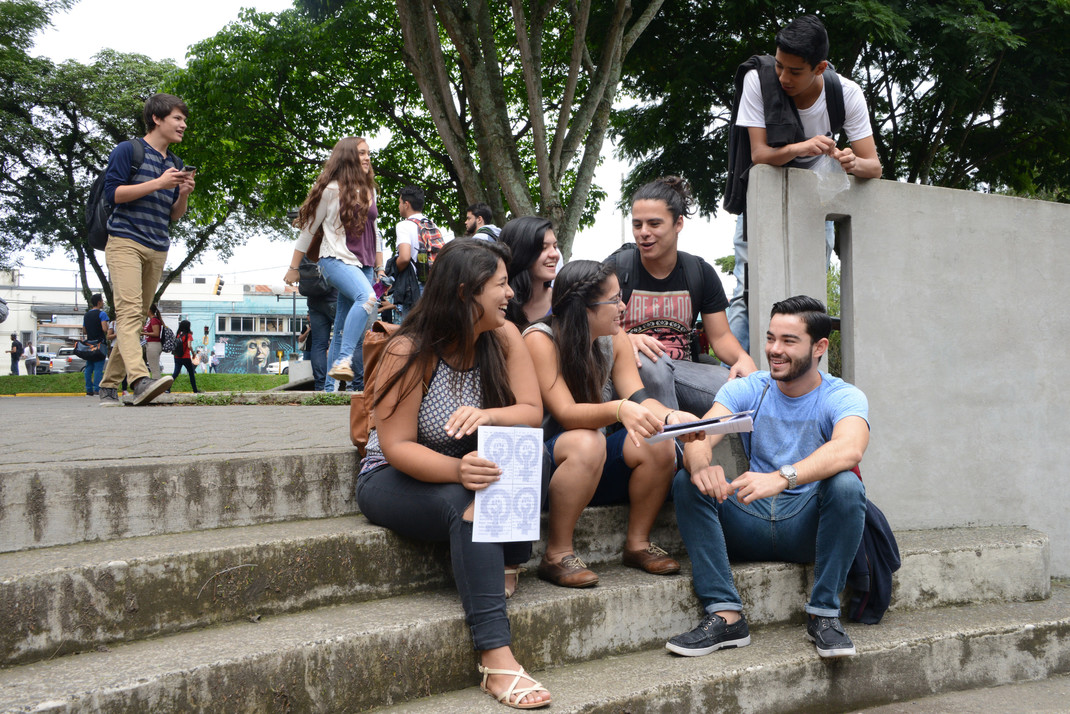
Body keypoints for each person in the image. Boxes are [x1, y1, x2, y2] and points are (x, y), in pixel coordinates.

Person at [355, 239, 551, 709]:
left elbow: (531, 410)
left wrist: (489, 418)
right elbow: (397, 447)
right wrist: (458, 470)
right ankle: (496, 659)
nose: (510, 294)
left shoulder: (503, 335)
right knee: (469, 508)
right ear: (466, 293)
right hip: (394, 475)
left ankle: (506, 558)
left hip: (465, 465)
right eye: (501, 285)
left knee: (535, 451)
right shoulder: (409, 349)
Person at [667, 295, 868, 659]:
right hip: (749, 518)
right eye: (770, 338)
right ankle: (726, 616)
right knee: (686, 482)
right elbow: (700, 435)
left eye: (789, 341)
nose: (775, 350)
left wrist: (781, 477)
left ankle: (824, 614)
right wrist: (701, 466)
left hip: (807, 526)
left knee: (847, 485)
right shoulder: (750, 387)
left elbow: (849, 448)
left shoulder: (842, 396)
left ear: (820, 346)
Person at [523, 260, 702, 588]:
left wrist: (671, 417)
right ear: (586, 308)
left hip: (596, 461)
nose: (623, 307)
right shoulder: (541, 339)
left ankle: (637, 544)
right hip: (549, 465)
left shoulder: (615, 338)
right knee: (587, 440)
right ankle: (556, 554)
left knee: (658, 440)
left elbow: (640, 399)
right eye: (615, 300)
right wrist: (619, 409)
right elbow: (566, 413)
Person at [725, 15, 882, 351]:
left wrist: (853, 162)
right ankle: (736, 374)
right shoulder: (758, 79)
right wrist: (803, 146)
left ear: (820, 67)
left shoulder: (847, 94)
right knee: (746, 290)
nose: (783, 77)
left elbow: (874, 167)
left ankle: (803, 372)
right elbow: (760, 153)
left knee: (809, 295)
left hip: (814, 200)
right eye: (780, 66)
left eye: (795, 71)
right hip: (762, 197)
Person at [610, 177, 756, 418]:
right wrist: (625, 340)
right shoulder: (617, 269)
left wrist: (743, 359)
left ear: (678, 223)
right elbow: (587, 325)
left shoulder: (698, 272)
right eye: (637, 225)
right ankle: (672, 448)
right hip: (630, 371)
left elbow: (720, 337)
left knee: (749, 391)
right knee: (652, 364)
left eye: (654, 224)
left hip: (684, 369)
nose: (644, 233)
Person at [97, 93, 194, 406]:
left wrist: (182, 194)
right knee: (127, 313)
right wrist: (158, 183)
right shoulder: (130, 150)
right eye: (177, 118)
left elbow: (173, 215)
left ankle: (109, 386)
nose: (183, 124)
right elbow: (114, 194)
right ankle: (139, 380)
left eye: (184, 119)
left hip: (157, 246)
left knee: (137, 317)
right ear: (157, 119)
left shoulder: (174, 164)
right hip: (125, 241)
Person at [284, 136, 382, 390]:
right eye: (361, 153)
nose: (367, 157)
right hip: (335, 260)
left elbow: (376, 231)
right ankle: (345, 360)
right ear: (348, 156)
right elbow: (308, 230)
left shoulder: (370, 190)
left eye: (368, 153)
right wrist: (293, 268)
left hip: (366, 264)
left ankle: (328, 391)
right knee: (367, 298)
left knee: (340, 326)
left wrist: (379, 266)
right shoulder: (331, 190)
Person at [499, 216, 559, 328]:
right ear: (521, 253)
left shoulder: (563, 302)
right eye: (543, 248)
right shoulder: (497, 307)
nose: (554, 254)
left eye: (555, 247)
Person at [392, 186, 436, 320]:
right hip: (433, 285)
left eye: (400, 202)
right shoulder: (431, 224)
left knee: (411, 334)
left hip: (414, 288)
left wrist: (394, 269)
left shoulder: (404, 225)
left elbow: (404, 258)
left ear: (406, 204)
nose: (399, 206)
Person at [84, 293, 111, 395]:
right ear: (99, 302)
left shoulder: (86, 315)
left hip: (89, 344)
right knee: (98, 368)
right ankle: (97, 389)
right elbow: (104, 328)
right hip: (100, 344)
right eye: (102, 301)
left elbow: (84, 331)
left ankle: (89, 390)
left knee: (89, 367)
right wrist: (108, 327)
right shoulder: (102, 314)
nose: (103, 303)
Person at [170, 319, 200, 393]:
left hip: (177, 357)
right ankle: (195, 390)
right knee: (191, 373)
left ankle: (167, 388)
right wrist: (193, 353)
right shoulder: (188, 335)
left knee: (175, 373)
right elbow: (189, 346)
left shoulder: (178, 334)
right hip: (185, 357)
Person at [142, 304, 164, 379]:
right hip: (150, 344)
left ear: (149, 310)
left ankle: (157, 382)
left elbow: (156, 333)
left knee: (154, 367)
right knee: (153, 366)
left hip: (153, 345)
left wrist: (143, 333)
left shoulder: (154, 320)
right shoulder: (150, 320)